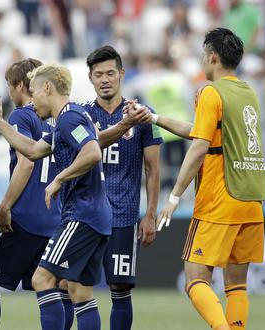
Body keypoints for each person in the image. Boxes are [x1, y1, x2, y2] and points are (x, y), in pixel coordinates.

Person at [155, 27, 265, 330]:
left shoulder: (210, 92)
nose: (202, 60)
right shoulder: (247, 92)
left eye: (204, 54)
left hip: (220, 198)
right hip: (251, 198)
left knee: (195, 278)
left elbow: (199, 148)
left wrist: (174, 197)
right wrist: (154, 118)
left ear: (213, 56)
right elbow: (204, 133)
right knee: (236, 285)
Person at [0, 63, 112, 330]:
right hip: (96, 216)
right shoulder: (64, 123)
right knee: (80, 291)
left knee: (42, 279)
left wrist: (59, 178)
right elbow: (32, 150)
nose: (32, 101)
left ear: (47, 87)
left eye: (33, 92)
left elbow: (92, 152)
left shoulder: (69, 117)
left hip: (82, 214)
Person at [0, 58, 63, 330]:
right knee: (49, 286)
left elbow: (26, 162)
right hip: (52, 218)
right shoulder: (57, 120)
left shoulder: (22, 115)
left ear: (22, 86)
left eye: (10, 86)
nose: (10, 93)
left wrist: (5, 206)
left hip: (23, 216)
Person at [81, 45, 162, 330]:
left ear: (122, 74)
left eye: (110, 73)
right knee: (73, 287)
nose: (105, 79)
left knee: (119, 288)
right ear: (90, 77)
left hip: (124, 216)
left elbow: (153, 169)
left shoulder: (144, 115)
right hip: (85, 216)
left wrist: (150, 214)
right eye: (98, 74)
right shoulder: (80, 115)